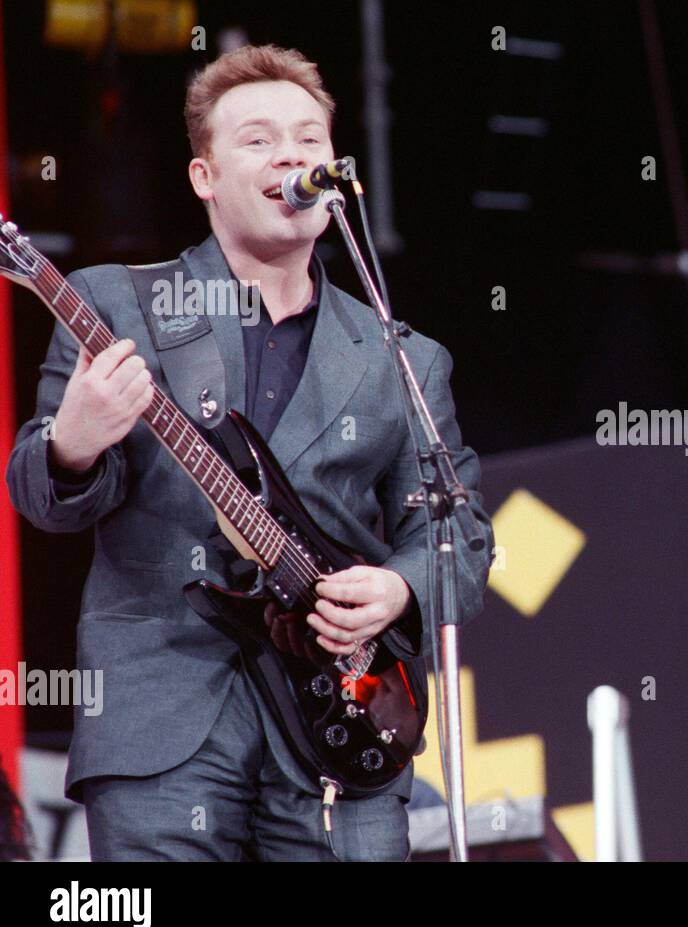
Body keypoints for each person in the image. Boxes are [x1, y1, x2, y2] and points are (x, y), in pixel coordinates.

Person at [5, 44, 494, 860]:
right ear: (205, 178)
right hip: (162, 725)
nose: (293, 156)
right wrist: (75, 442)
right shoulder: (118, 304)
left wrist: (398, 586)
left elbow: (461, 535)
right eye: (260, 140)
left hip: (343, 729)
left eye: (309, 138)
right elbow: (39, 494)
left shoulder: (400, 356)